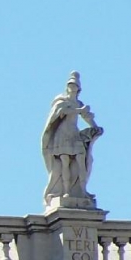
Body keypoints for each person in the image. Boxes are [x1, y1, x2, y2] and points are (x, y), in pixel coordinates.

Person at [41, 71, 103, 206]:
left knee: (82, 161)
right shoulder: (63, 101)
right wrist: (79, 110)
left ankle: (81, 190)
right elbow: (61, 113)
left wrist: (95, 127)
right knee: (65, 163)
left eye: (75, 85)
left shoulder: (79, 103)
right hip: (62, 136)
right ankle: (66, 191)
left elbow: (87, 117)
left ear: (78, 88)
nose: (72, 87)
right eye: (70, 85)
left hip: (74, 134)